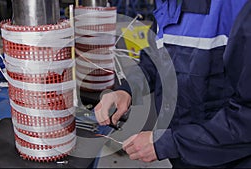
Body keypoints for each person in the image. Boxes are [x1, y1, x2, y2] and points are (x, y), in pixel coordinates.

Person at [94, 0, 251, 168]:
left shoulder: (239, 7)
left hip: (230, 160)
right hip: (182, 156)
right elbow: (155, 61)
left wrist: (169, 143)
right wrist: (126, 90)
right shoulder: (169, 4)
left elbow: (246, 116)